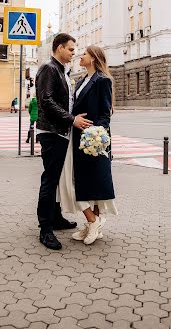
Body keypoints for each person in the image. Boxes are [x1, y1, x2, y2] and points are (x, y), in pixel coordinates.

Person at [36, 33, 93, 250]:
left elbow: (67, 100)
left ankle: (56, 218)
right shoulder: (49, 69)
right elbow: (46, 101)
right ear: (59, 48)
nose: (73, 52)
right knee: (50, 180)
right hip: (51, 133)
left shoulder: (62, 71)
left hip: (60, 132)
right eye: (70, 49)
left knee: (58, 179)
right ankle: (45, 229)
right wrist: (72, 120)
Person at [58, 45, 117, 245]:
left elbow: (104, 114)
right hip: (78, 137)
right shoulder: (81, 80)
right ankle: (93, 222)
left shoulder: (102, 80)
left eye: (84, 53)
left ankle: (93, 223)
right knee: (80, 181)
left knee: (95, 182)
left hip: (94, 140)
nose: (80, 56)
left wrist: (95, 135)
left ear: (93, 58)